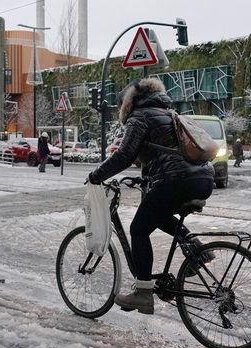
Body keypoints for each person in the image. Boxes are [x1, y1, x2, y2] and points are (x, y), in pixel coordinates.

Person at [87, 78, 213, 314]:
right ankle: (197, 251)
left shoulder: (140, 116)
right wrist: (145, 178)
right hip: (203, 178)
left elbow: (124, 155)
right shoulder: (168, 114)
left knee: (139, 229)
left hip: (176, 180)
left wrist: (96, 175)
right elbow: (162, 153)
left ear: (129, 103)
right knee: (159, 217)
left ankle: (143, 293)